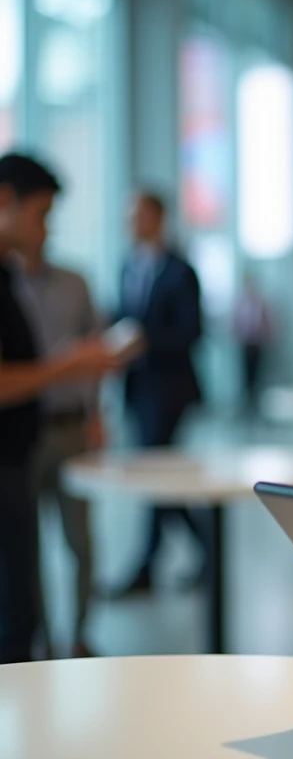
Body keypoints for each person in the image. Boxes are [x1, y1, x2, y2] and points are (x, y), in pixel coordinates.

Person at [0, 153, 128, 663]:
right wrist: (70, 364)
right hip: (14, 453)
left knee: (59, 557)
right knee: (16, 601)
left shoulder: (51, 280)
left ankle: (69, 640)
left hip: (34, 442)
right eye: (41, 214)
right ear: (6, 201)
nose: (45, 228)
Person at [108, 191, 206, 597]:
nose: (133, 223)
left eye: (140, 215)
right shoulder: (128, 266)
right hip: (137, 387)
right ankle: (208, 548)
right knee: (158, 477)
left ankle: (147, 567)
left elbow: (192, 332)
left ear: (159, 218)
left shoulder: (180, 271)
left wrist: (144, 340)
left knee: (154, 476)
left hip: (170, 390)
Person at [232, 272, 273, 417]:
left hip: (257, 345)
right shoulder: (241, 303)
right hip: (244, 345)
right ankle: (246, 407)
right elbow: (235, 323)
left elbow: (268, 324)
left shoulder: (260, 303)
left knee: (258, 377)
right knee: (246, 377)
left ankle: (256, 407)